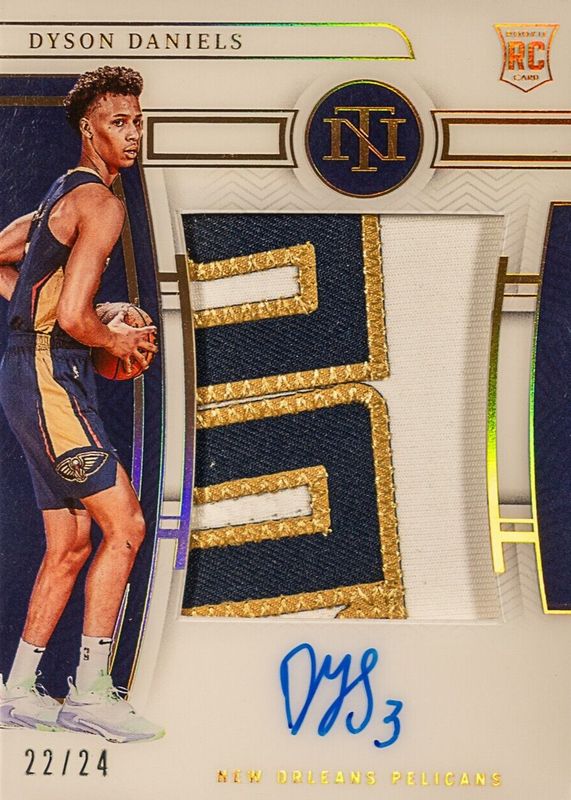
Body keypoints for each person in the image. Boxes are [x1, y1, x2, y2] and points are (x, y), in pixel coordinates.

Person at [0, 66, 163, 743]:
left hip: (29, 374)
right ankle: (91, 695)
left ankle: (18, 690)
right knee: (126, 527)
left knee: (69, 544)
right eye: (118, 122)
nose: (132, 134)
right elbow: (72, 316)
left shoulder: (56, 199)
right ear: (88, 129)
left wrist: (37, 317)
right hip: (50, 377)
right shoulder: (100, 202)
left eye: (137, 122)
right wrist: (112, 335)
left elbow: (7, 262)